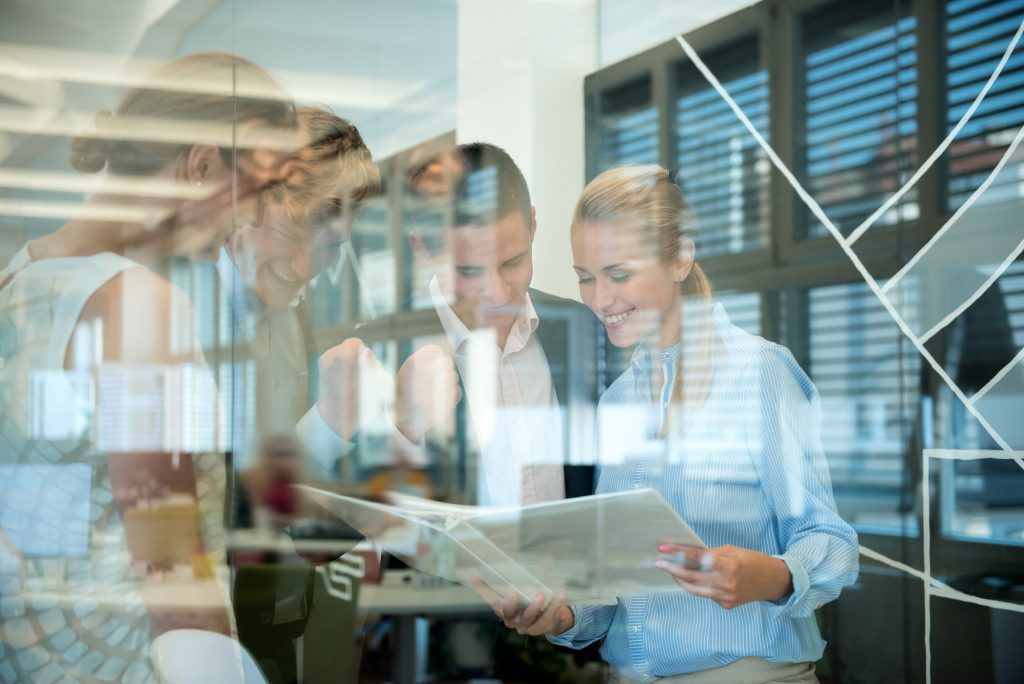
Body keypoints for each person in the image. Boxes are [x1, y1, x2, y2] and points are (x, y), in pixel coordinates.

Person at [476, 164, 859, 683]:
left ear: (680, 258)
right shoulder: (616, 402)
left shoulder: (759, 372)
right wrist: (562, 615)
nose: (599, 299)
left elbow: (829, 539)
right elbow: (616, 586)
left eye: (619, 274)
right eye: (585, 278)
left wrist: (769, 575)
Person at [0, 52, 296, 682]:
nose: (260, 218)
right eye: (263, 189)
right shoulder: (139, 306)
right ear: (203, 164)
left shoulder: (13, 282)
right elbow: (172, 570)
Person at [346, 141, 604, 505]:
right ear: (423, 251)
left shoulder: (583, 328)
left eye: (513, 262)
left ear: (532, 224)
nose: (498, 293)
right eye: (469, 271)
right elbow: (334, 534)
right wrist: (403, 431)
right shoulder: (375, 352)